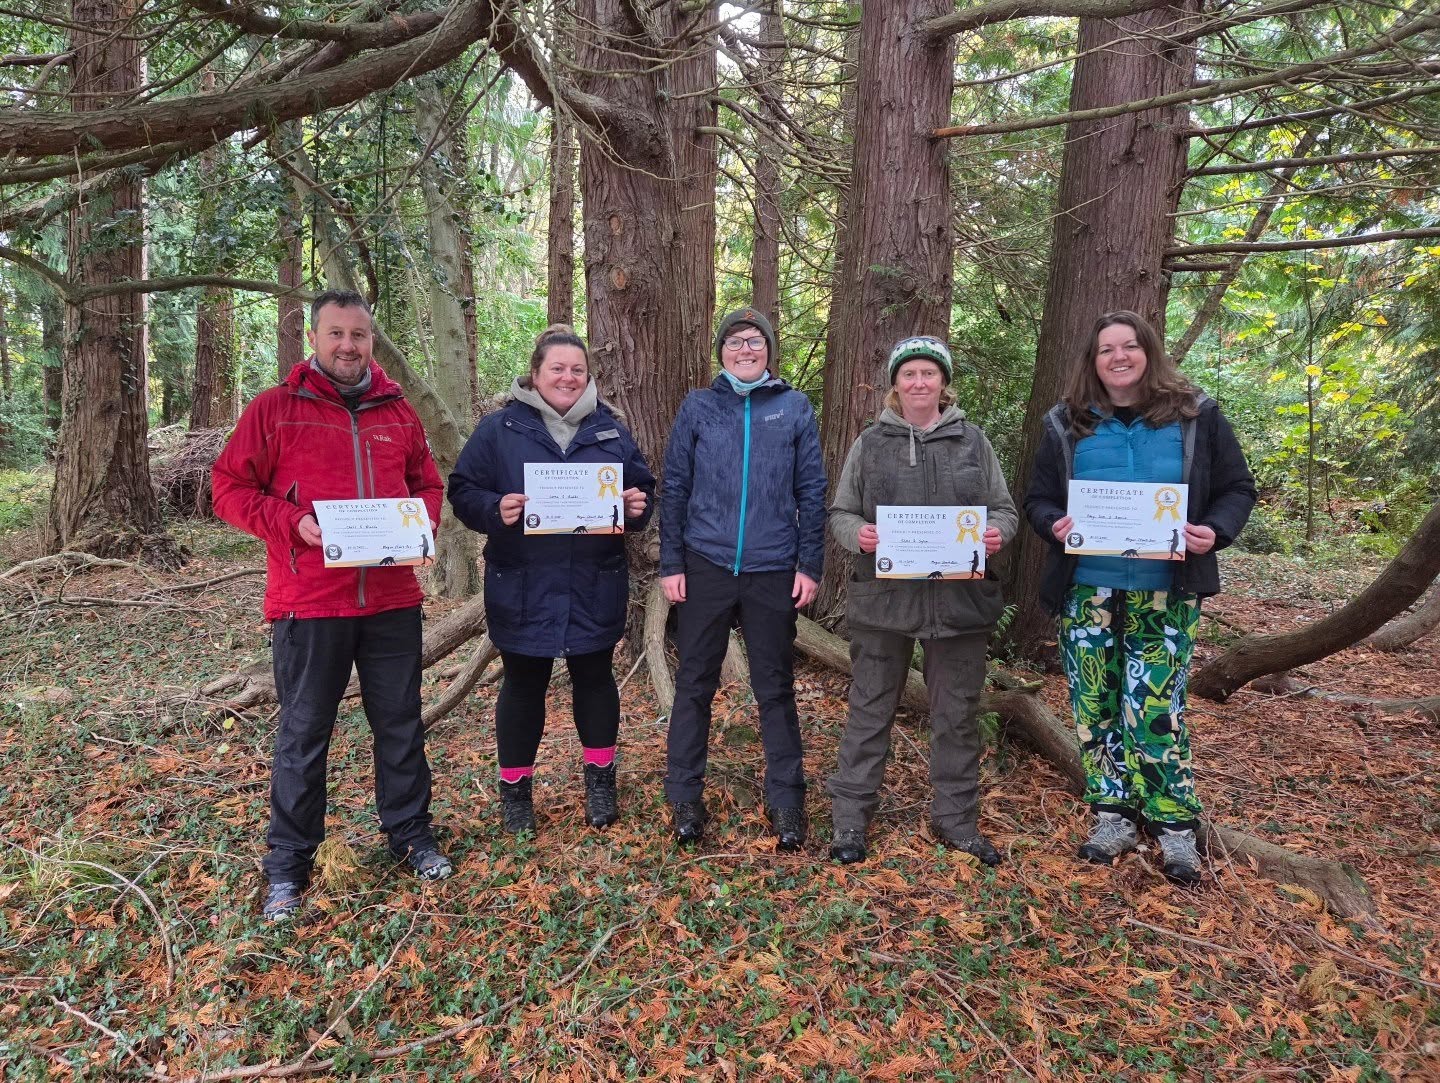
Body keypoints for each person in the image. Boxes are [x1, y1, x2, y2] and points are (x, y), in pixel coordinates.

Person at [212, 289, 453, 923]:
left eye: (359, 336)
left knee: (400, 724)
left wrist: (418, 526)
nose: (348, 346)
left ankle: (411, 837)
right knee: (303, 734)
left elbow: (427, 483)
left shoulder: (397, 412)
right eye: (336, 334)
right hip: (309, 603)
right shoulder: (276, 410)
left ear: (372, 341)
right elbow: (228, 488)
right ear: (315, 339)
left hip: (392, 600)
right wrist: (293, 524)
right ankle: (288, 867)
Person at [1023, 310, 1256, 884]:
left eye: (1129, 346)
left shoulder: (1196, 416)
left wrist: (1214, 532)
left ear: (1149, 352)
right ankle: (1114, 814)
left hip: (1166, 592)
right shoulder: (1066, 422)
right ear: (1092, 361)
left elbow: (1237, 488)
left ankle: (1175, 825)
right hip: (1089, 592)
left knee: (1155, 709)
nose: (1118, 357)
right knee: (1094, 706)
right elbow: (1038, 498)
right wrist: (1054, 524)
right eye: (1106, 350)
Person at [448, 325, 654, 835]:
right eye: (557, 368)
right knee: (523, 685)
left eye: (577, 370)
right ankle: (516, 791)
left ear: (588, 377)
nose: (568, 377)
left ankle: (601, 778)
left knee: (595, 680)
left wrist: (633, 506)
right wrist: (496, 508)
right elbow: (462, 490)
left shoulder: (610, 429)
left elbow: (642, 489)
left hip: (593, 582)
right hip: (522, 584)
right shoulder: (500, 429)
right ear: (535, 374)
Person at [826, 336, 1018, 866]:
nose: (918, 383)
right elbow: (841, 512)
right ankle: (850, 820)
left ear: (942, 383)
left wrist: (995, 533)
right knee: (869, 711)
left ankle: (955, 820)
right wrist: (858, 534)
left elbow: (1004, 510)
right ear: (895, 383)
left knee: (956, 716)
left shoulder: (973, 441)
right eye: (908, 374)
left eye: (928, 374)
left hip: (960, 605)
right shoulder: (870, 443)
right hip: (884, 602)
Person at [661, 306, 828, 849]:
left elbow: (812, 493)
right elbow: (675, 488)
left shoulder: (795, 408)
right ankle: (684, 799)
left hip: (772, 568)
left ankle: (787, 802)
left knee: (775, 689)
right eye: (734, 342)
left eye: (754, 341)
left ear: (769, 349)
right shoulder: (699, 407)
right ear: (722, 352)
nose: (745, 349)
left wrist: (809, 565)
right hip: (705, 564)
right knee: (694, 686)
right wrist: (671, 564)